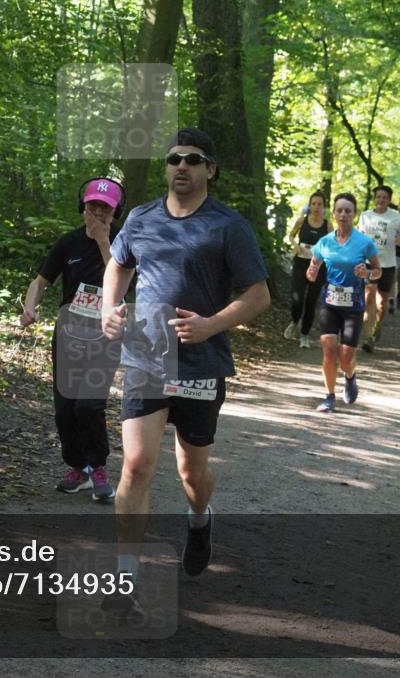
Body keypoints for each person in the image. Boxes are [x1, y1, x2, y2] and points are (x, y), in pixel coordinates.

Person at [100, 127, 270, 601]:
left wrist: (211, 325)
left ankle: (199, 518)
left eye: (193, 159)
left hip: (200, 362)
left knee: (191, 472)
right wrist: (109, 309)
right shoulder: (141, 217)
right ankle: (126, 576)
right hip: (147, 357)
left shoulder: (228, 226)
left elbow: (259, 295)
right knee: (136, 465)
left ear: (210, 169)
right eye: (174, 158)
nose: (181, 166)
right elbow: (118, 264)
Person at [20, 177, 124, 503]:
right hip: (68, 335)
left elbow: (121, 283)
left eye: (105, 208)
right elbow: (40, 281)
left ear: (115, 212)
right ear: (82, 208)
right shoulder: (68, 243)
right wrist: (29, 307)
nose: (98, 213)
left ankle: (99, 467)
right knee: (65, 410)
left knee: (89, 405)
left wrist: (104, 241)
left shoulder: (124, 244)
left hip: (106, 335)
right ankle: (79, 468)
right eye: (93, 206)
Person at [307, 193, 381, 412]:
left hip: (353, 306)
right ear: (334, 213)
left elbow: (378, 272)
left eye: (348, 211)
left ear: (354, 214)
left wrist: (367, 272)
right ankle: (329, 396)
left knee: (346, 357)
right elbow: (312, 270)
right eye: (339, 210)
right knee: (329, 350)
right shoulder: (325, 242)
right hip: (329, 303)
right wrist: (312, 273)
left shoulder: (364, 243)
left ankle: (350, 376)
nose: (343, 214)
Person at [357, 185, 400, 352]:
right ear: (375, 198)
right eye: (378, 197)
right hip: (368, 263)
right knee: (369, 298)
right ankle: (368, 337)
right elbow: (359, 235)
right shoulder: (365, 216)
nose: (381, 200)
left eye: (384, 197)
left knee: (381, 303)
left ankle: (377, 327)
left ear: (389, 200)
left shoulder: (396, 218)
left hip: (387, 265)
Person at [284, 191, 329, 348]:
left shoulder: (327, 225)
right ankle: (295, 321)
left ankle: (304, 335)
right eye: (314, 204)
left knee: (311, 302)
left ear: (324, 207)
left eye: (319, 204)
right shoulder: (302, 220)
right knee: (297, 298)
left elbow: (333, 244)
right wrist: (295, 246)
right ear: (310, 205)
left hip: (318, 266)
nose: (316, 207)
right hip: (300, 263)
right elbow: (291, 236)